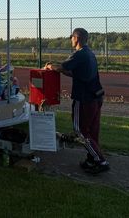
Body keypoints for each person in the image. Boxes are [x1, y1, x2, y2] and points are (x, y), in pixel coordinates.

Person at [44, 28, 109, 175]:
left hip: (84, 98)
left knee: (80, 131)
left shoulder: (79, 54)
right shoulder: (89, 53)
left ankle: (100, 160)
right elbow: (74, 73)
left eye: (71, 37)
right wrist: (60, 70)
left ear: (76, 38)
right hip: (96, 96)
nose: (71, 40)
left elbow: (62, 67)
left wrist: (49, 66)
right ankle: (92, 158)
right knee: (92, 131)